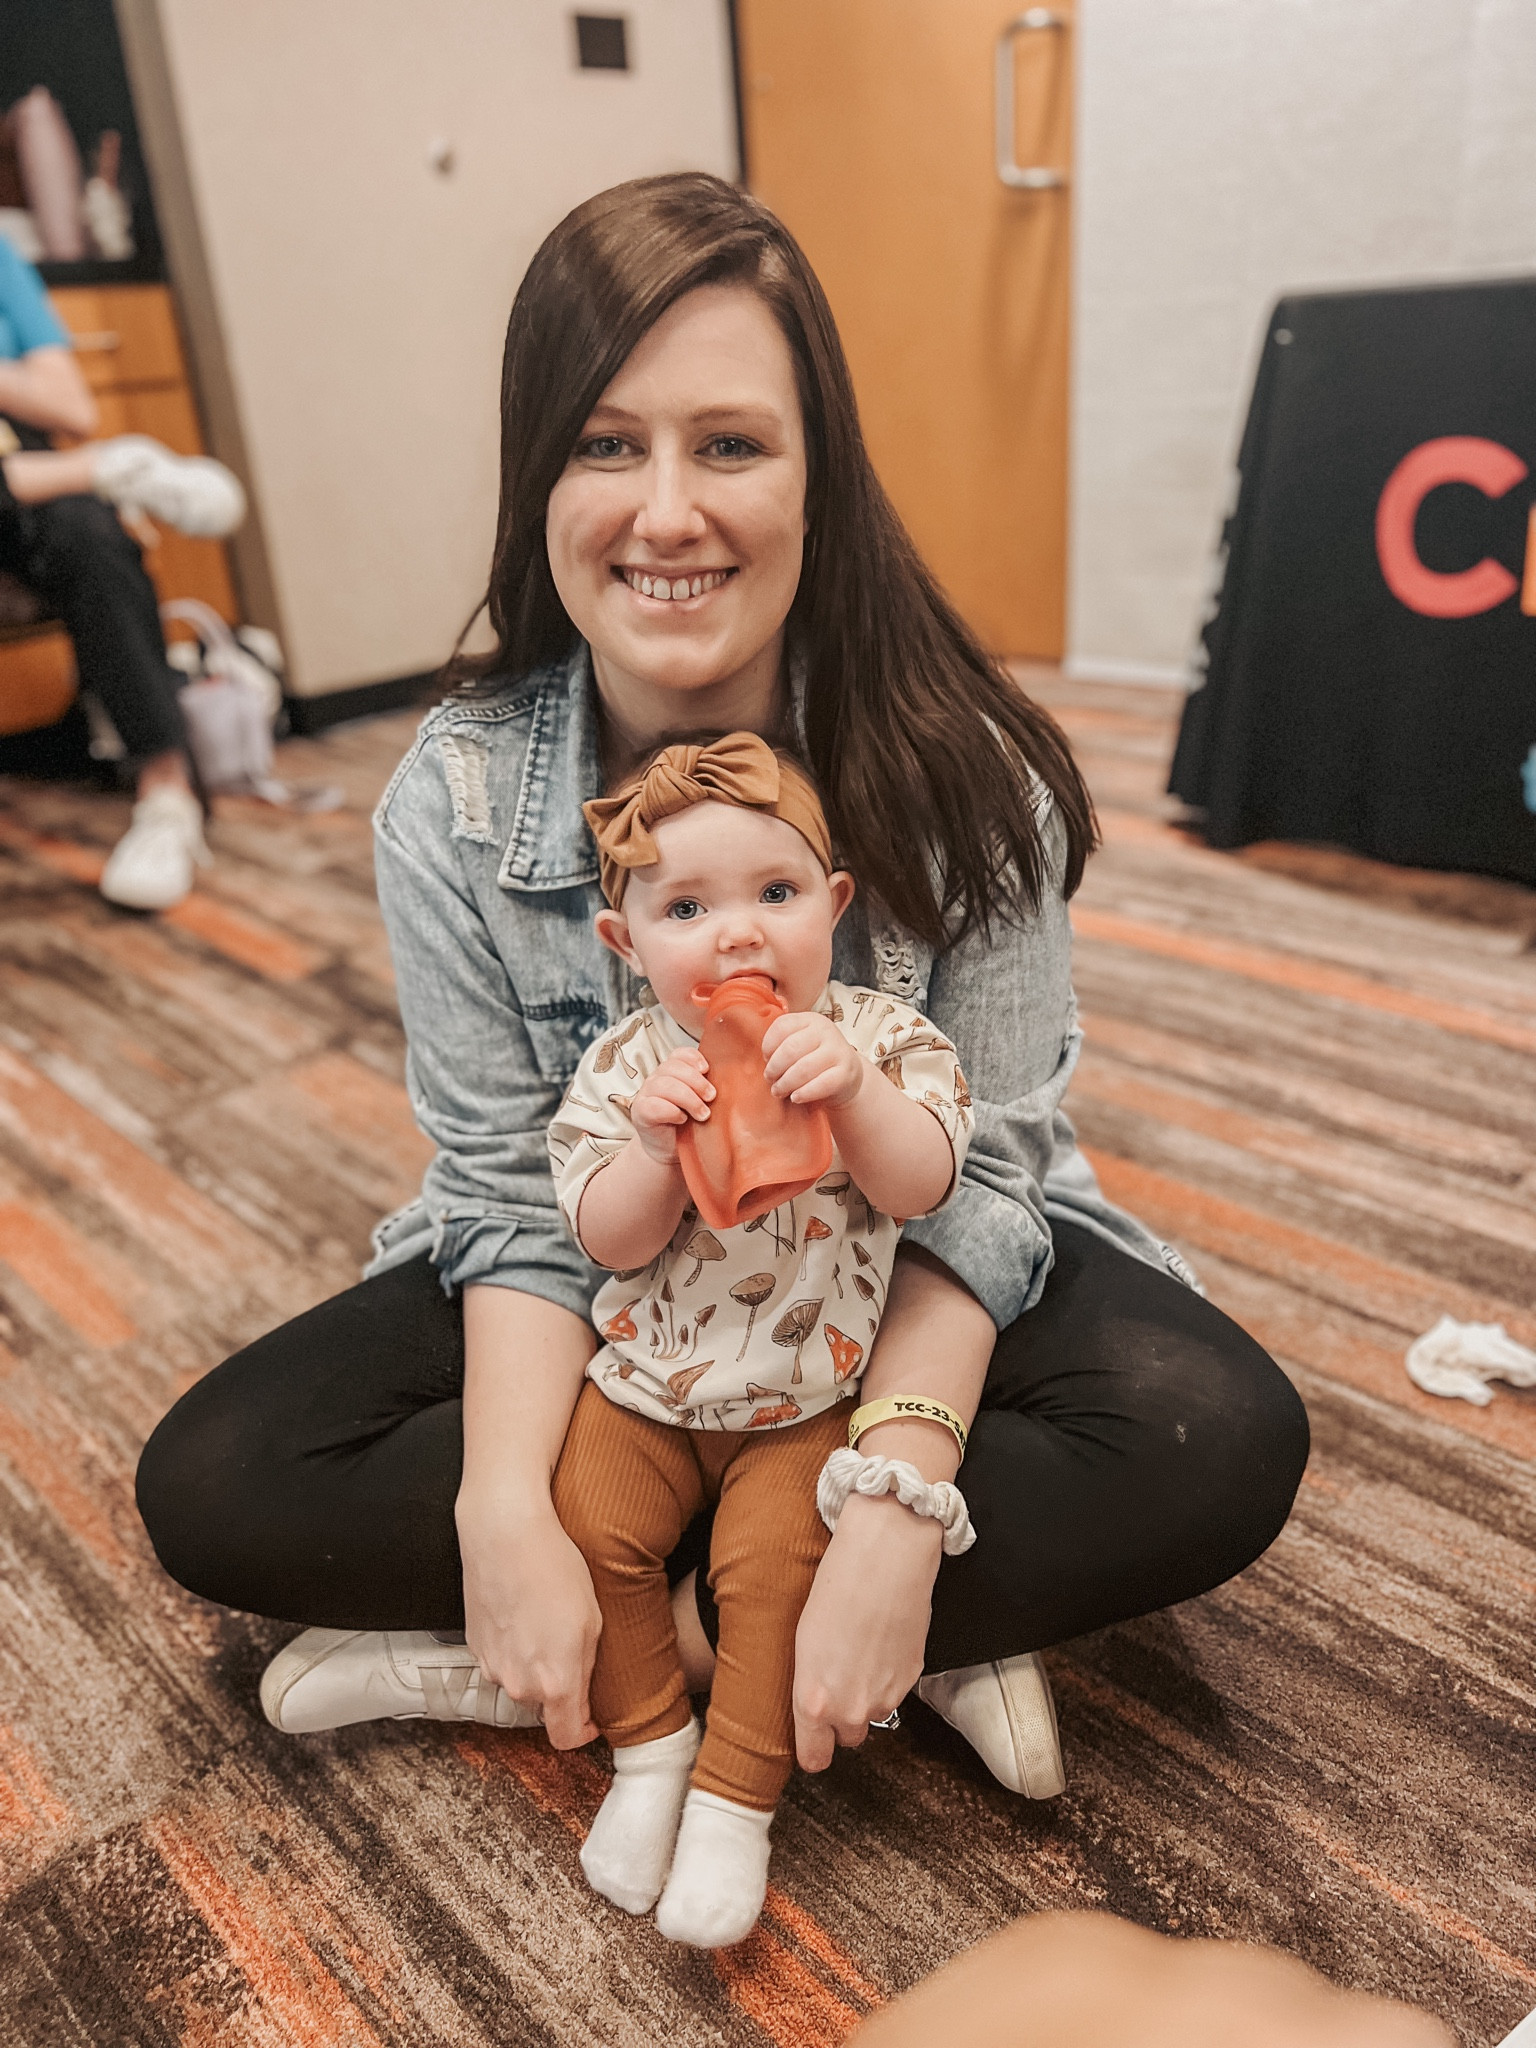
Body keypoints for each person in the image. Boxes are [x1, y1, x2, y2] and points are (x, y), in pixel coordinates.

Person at [135, 175, 1309, 1825]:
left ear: (818, 474)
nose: (665, 511)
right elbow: (505, 1202)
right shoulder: (459, 798)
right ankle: (820, 1624)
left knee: (1214, 1431)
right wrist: (499, 1512)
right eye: (605, 444)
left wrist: (897, 1501)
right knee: (218, 1481)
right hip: (621, 1295)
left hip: (887, 1267)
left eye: (730, 446)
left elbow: (980, 1191)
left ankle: (656, 1632)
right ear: (537, 474)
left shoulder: (974, 778)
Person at [548, 731, 974, 1945]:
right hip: (640, 1388)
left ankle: (737, 1798)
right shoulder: (625, 1065)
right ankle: (648, 1752)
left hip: (808, 1400)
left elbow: (926, 1186)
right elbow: (608, 1241)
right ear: (626, 944)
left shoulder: (880, 1038)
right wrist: (648, 1153)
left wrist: (853, 1093)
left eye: (776, 894)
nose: (739, 934)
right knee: (591, 1525)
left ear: (834, 909)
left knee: (773, 1576)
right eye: (687, 906)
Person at [0, 234, 245, 910]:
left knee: (90, 533)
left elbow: (72, 407)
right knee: (85, 496)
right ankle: (117, 466)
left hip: (27, 480)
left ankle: (168, 797)